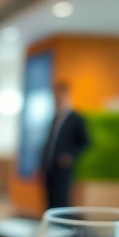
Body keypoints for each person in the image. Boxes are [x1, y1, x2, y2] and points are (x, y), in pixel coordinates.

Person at [40, 82, 90, 210]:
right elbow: (49, 142)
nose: (57, 99)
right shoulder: (55, 118)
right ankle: (51, 228)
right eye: (55, 96)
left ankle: (62, 228)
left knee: (61, 201)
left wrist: (70, 156)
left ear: (67, 95)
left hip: (62, 169)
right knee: (49, 201)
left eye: (60, 95)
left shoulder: (76, 118)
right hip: (49, 167)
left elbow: (86, 142)